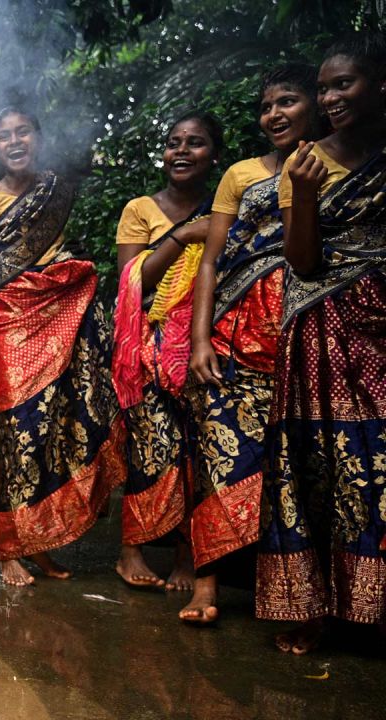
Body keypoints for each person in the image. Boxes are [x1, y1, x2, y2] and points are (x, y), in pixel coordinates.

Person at [256, 35, 386, 655]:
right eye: (326, 87)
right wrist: (303, 194)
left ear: (379, 84)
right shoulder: (304, 164)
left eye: (345, 84)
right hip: (322, 328)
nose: (332, 98)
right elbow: (303, 264)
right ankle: (312, 607)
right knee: (321, 466)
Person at [183, 64, 322, 624]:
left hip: (301, 333)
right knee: (218, 450)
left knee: (296, 465)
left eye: (287, 101)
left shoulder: (332, 166)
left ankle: (295, 594)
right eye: (267, 106)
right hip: (235, 331)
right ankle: (206, 586)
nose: (274, 115)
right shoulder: (240, 173)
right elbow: (212, 260)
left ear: (315, 105)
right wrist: (199, 338)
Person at [0, 107, 127, 586]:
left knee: (59, 426)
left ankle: (41, 544)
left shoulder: (55, 188)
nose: (14, 141)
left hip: (61, 311)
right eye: (3, 136)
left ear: (37, 137)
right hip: (12, 318)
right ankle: (9, 548)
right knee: (21, 429)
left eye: (23, 132)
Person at [111, 112, 222, 591]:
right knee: (149, 446)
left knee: (196, 450)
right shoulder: (141, 208)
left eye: (195, 143)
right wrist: (182, 237)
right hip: (147, 346)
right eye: (174, 142)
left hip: (204, 342)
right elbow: (133, 281)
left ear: (214, 154)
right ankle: (130, 550)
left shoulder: (226, 205)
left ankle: (185, 556)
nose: (181, 151)